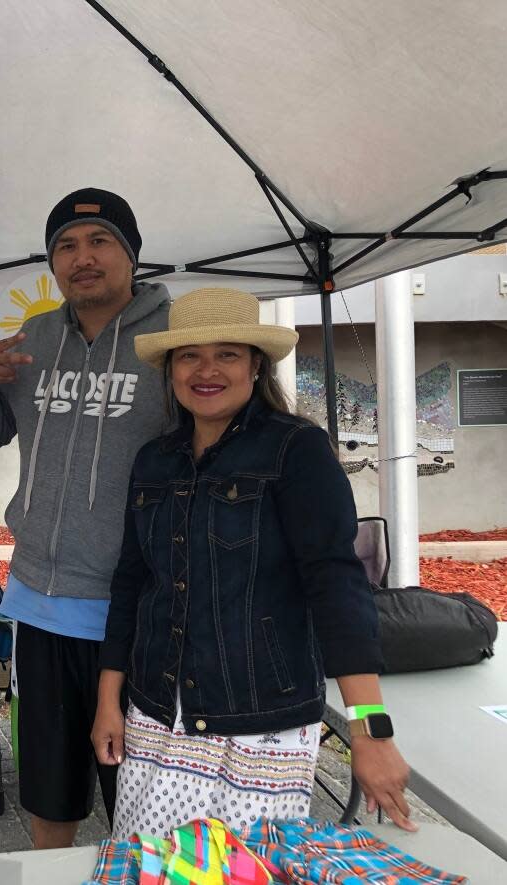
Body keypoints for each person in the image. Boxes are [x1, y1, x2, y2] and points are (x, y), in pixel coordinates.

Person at [91, 287, 414, 838]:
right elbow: (131, 585)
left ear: (255, 364)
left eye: (228, 354)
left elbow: (336, 587)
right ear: (170, 369)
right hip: (156, 714)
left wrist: (371, 731)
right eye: (190, 355)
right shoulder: (154, 460)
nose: (206, 370)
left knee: (249, 871)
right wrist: (108, 701)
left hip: (260, 722)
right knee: (153, 869)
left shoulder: (297, 450)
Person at [0, 188, 170, 848]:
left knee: (139, 804)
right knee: (50, 794)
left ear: (130, 254)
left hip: (135, 612)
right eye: (67, 247)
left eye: (101, 241)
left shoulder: (171, 342)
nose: (83, 258)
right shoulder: (35, 339)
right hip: (41, 607)